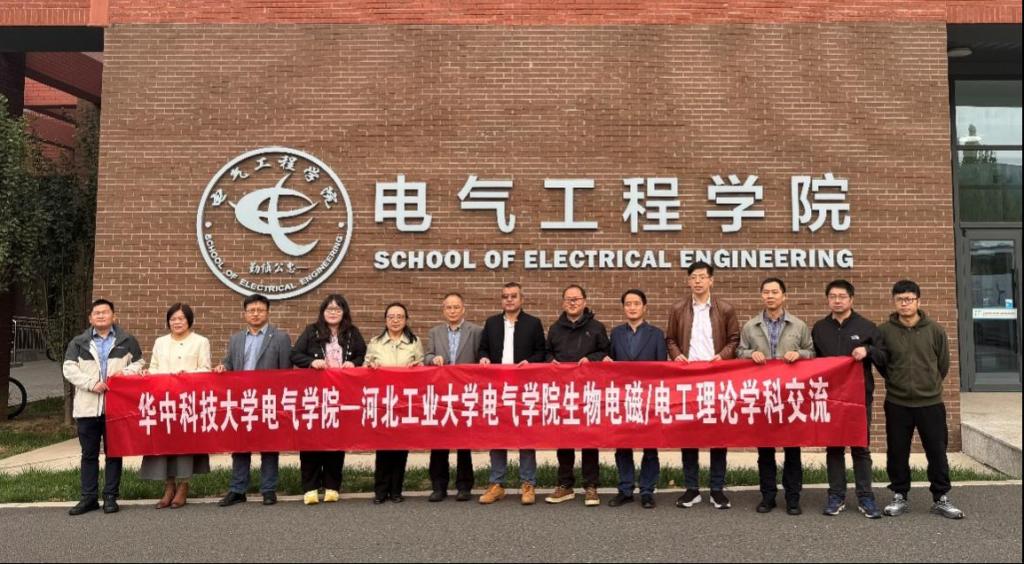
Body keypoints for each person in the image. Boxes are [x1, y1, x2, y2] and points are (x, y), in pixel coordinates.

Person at [878, 280, 964, 519]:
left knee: (937, 451)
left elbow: (942, 364)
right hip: (897, 402)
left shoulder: (935, 330)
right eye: (899, 299)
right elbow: (883, 365)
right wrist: (897, 381)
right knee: (897, 452)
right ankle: (899, 495)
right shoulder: (884, 331)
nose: (904, 304)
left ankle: (941, 497)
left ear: (918, 301)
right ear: (894, 302)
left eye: (909, 299)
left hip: (930, 403)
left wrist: (928, 384)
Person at [665, 261, 740, 510]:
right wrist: (676, 355)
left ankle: (717, 489)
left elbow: (734, 339)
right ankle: (692, 489)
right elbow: (670, 338)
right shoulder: (678, 309)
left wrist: (723, 356)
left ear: (711, 281)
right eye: (693, 277)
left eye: (702, 277)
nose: (698, 281)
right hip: (688, 380)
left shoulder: (725, 309)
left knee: (718, 434)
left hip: (716, 378)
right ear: (688, 281)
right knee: (689, 434)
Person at [737, 277, 814, 515]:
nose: (770, 296)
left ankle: (793, 498)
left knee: (792, 449)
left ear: (784, 296)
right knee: (765, 450)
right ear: (761, 296)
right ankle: (768, 496)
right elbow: (739, 352)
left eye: (774, 292)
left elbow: (812, 352)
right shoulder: (751, 326)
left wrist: (799, 354)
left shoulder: (798, 325)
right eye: (766, 292)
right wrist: (750, 354)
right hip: (762, 395)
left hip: (790, 395)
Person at [811, 280, 887, 518]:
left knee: (860, 447)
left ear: (851, 299)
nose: (837, 300)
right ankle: (836, 496)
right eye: (832, 296)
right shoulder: (820, 328)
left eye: (842, 296)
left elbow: (884, 358)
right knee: (834, 447)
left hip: (858, 398)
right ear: (827, 300)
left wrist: (868, 351)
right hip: (830, 397)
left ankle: (866, 497)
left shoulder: (867, 327)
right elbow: (812, 362)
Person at [63, 299, 145, 516]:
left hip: (116, 409)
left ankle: (110, 496)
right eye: (96, 313)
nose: (100, 315)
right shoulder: (78, 343)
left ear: (113, 316)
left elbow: (139, 364)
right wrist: (92, 384)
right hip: (87, 408)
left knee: (114, 454)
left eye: (105, 312)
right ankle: (88, 497)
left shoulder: (127, 341)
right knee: (89, 454)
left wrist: (122, 375)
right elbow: (69, 369)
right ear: (90, 318)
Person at [215, 294, 293, 507]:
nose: (256, 314)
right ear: (245, 314)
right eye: (251, 310)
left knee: (269, 446)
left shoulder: (280, 338)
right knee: (240, 446)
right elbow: (230, 363)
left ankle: (268, 489)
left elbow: (287, 372)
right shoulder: (236, 339)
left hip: (269, 400)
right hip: (241, 400)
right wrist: (223, 367)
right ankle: (237, 489)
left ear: (267, 312)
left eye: (260, 310)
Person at [291, 294, 367, 506]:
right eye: (329, 309)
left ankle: (332, 486)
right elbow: (295, 354)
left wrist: (354, 363)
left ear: (344, 312)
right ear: (323, 312)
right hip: (314, 396)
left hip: (341, 395)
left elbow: (363, 354)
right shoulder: (311, 331)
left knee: (336, 440)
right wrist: (311, 362)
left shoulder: (352, 333)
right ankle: (310, 487)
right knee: (311, 440)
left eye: (338, 309)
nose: (333, 312)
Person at [477, 282, 547, 505]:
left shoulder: (533, 323)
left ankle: (528, 483)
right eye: (505, 296)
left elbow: (542, 352)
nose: (509, 299)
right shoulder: (492, 323)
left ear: (521, 299)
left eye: (513, 296)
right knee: (498, 435)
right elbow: (483, 348)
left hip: (524, 387)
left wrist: (530, 362)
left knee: (525, 434)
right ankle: (497, 484)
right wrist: (484, 357)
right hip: (497, 387)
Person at [140, 303, 213, 509]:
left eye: (181, 318)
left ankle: (183, 486)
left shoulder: (201, 341)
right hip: (163, 401)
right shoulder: (160, 342)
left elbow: (206, 369)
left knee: (185, 444)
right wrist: (147, 373)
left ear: (189, 320)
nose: (177, 322)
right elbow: (154, 367)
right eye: (173, 319)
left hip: (188, 401)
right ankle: (168, 486)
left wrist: (188, 375)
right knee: (165, 443)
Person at [544, 284, 611, 507]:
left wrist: (591, 359)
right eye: (568, 299)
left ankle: (591, 485)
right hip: (563, 391)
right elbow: (547, 352)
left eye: (577, 299)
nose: (573, 303)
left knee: (589, 438)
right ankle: (565, 484)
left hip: (589, 391)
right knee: (564, 438)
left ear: (585, 301)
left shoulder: (596, 327)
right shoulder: (555, 328)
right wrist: (550, 361)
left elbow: (605, 351)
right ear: (563, 302)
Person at [605, 289, 666, 509]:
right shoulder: (616, 334)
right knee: (623, 445)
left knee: (650, 446)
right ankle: (625, 489)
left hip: (648, 397)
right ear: (623, 308)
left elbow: (662, 367)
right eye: (628, 304)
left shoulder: (656, 334)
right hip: (623, 397)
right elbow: (611, 365)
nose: (632, 307)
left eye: (636, 303)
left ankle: (647, 491)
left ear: (644, 307)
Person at [423, 292, 482, 502]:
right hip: (442, 393)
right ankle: (438, 486)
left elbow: (482, 356)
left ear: (463, 309)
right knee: (439, 442)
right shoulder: (435, 332)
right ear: (443, 310)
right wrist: (433, 359)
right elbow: (426, 356)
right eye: (448, 307)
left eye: (456, 307)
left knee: (464, 443)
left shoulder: (476, 331)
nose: (452, 311)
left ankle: (464, 486)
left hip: (466, 393)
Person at [365, 302, 424, 504]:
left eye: (400, 317)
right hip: (383, 402)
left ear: (406, 320)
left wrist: (418, 366)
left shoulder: (414, 342)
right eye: (391, 317)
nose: (395, 320)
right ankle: (380, 491)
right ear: (385, 320)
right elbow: (364, 368)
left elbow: (423, 367)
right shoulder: (375, 342)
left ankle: (396, 490)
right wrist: (370, 366)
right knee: (383, 448)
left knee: (400, 448)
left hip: (405, 403)